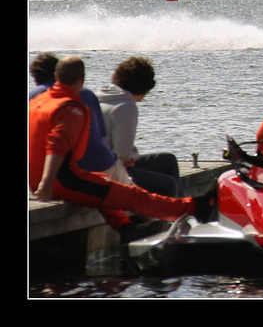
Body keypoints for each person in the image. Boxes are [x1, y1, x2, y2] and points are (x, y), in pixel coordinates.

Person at [28, 56, 217, 243]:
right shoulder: (71, 107)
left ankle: (127, 229)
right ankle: (195, 207)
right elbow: (57, 144)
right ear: (82, 79)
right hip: (61, 180)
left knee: (104, 188)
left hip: (41, 178)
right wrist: (46, 184)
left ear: (56, 75)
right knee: (132, 196)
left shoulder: (38, 102)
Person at [29, 53, 132, 187]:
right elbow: (101, 138)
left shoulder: (32, 98)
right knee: (132, 193)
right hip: (94, 167)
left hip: (48, 173)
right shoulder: (85, 93)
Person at [97, 57, 183, 198]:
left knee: (168, 160)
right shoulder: (126, 107)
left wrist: (131, 157)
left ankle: (180, 214)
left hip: (100, 164)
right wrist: (130, 158)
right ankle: (174, 215)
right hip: (109, 172)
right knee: (169, 184)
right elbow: (121, 156)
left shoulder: (101, 96)